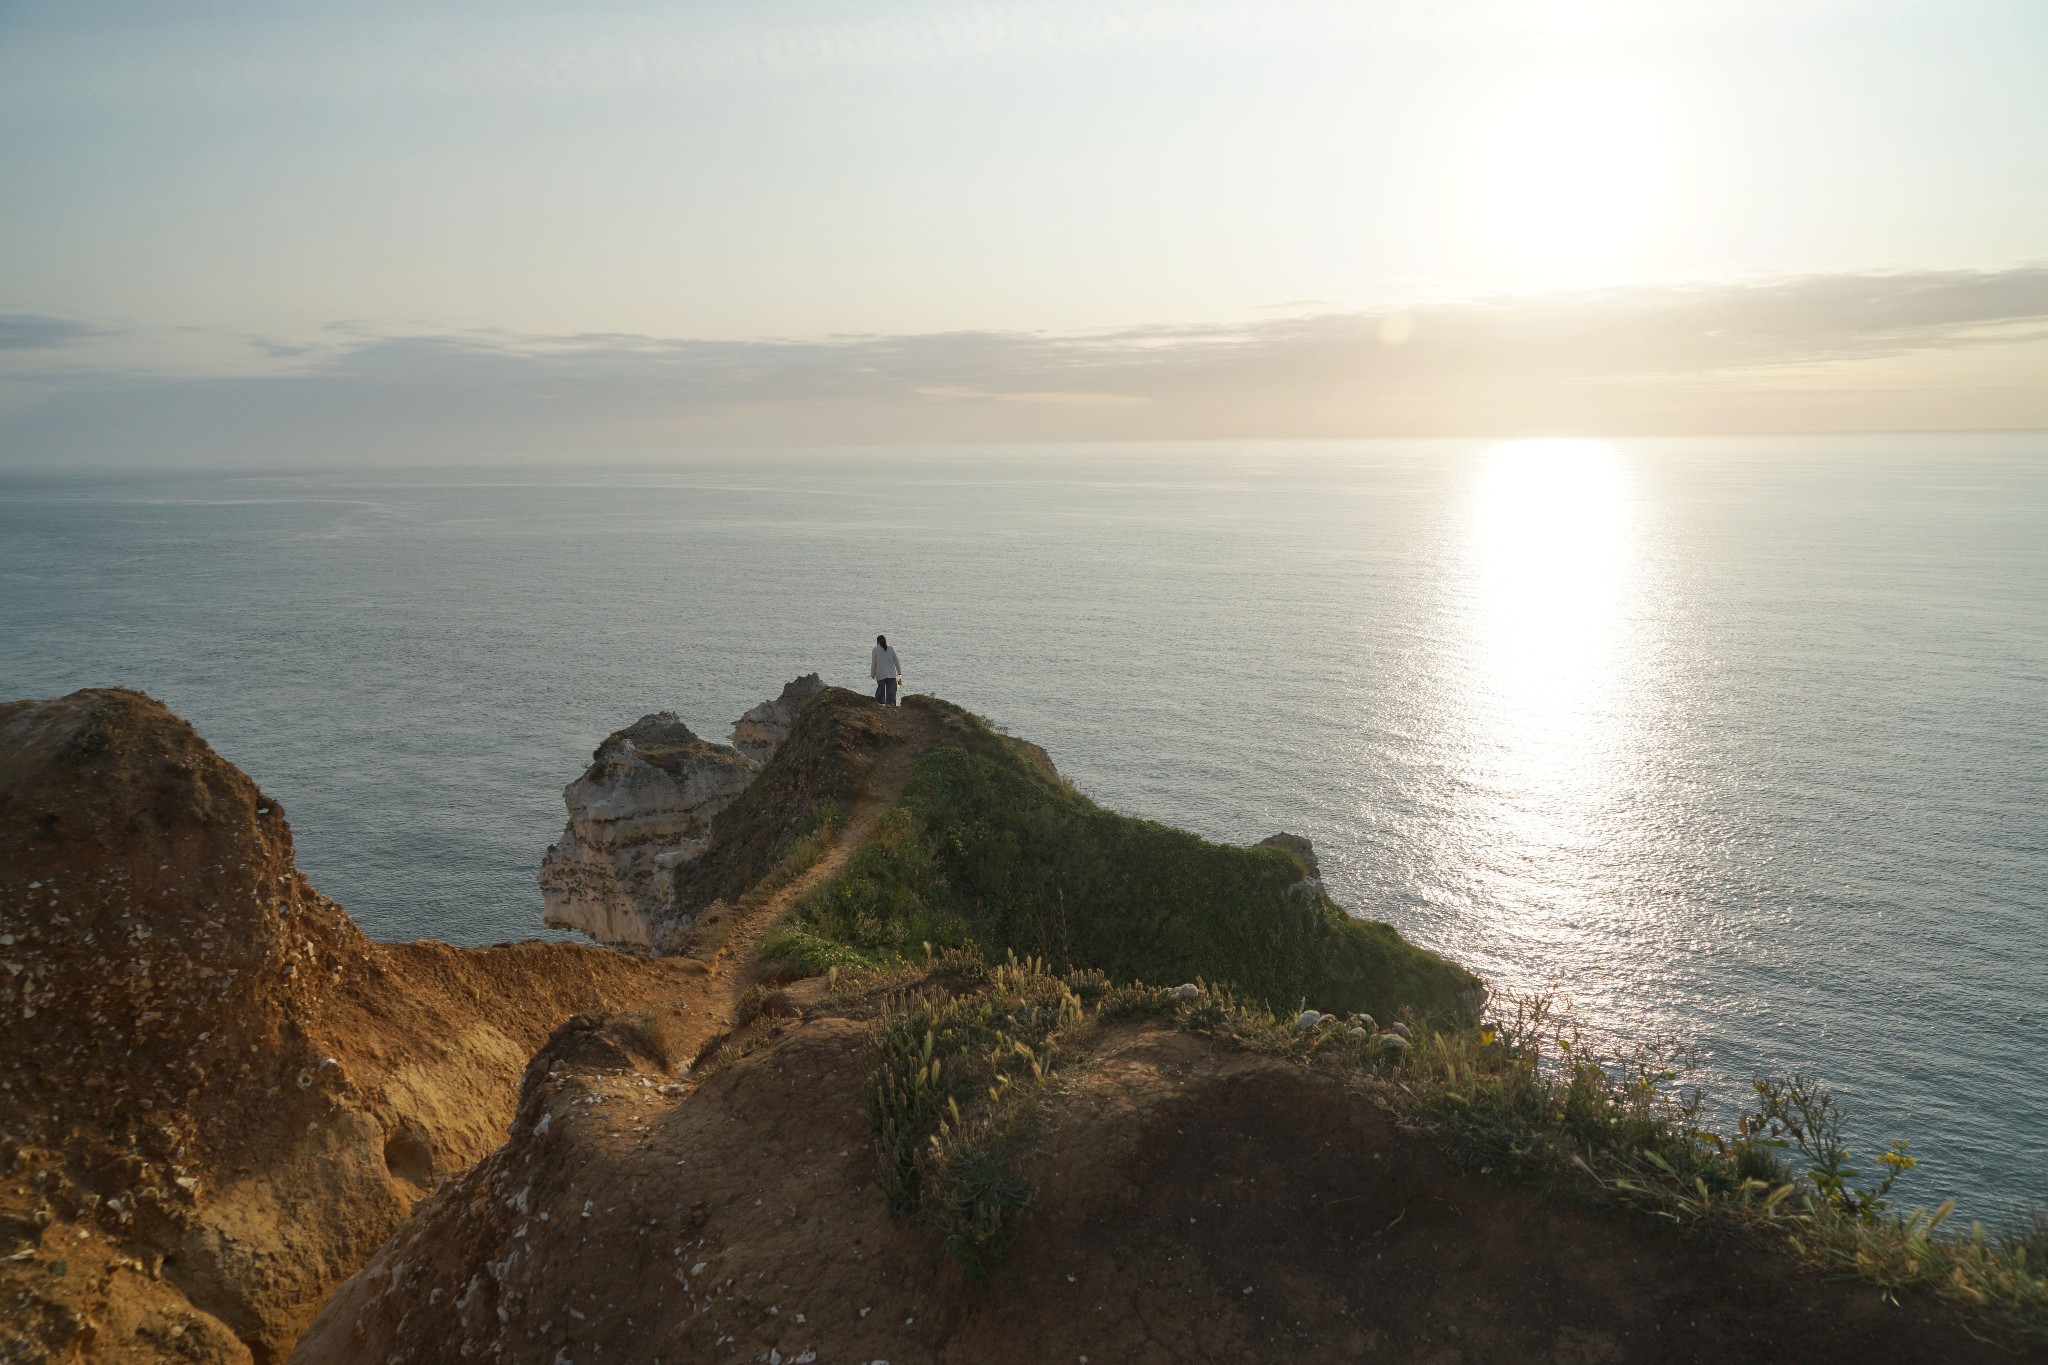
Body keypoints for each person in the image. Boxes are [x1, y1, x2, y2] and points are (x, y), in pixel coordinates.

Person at [870, 634, 903, 706]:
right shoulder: (891, 649)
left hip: (881, 673)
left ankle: (877, 703)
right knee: (891, 691)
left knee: (880, 690)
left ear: (877, 642)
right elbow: (896, 661)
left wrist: (872, 674)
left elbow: (874, 664)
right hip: (891, 674)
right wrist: (899, 672)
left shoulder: (875, 650)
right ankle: (890, 704)